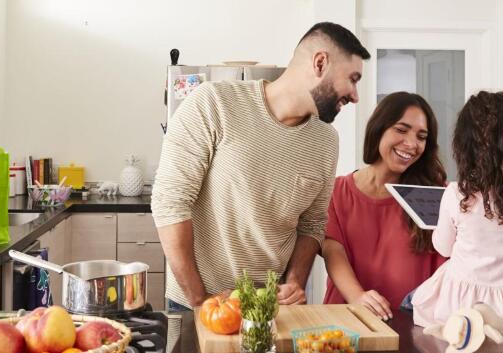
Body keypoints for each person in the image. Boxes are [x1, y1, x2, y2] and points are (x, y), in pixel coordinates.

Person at [151, 22, 370, 310]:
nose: (355, 95)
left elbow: (313, 224)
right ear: (320, 63)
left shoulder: (326, 141)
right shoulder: (213, 103)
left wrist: (294, 282)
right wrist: (200, 300)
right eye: (352, 79)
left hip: (270, 308)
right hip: (197, 304)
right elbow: (170, 204)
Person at [322, 92, 447, 320]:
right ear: (379, 128)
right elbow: (333, 253)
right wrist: (358, 297)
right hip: (346, 323)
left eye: (421, 136)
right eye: (401, 130)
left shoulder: (437, 195)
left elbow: (448, 266)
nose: (411, 144)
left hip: (412, 327)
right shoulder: (336, 191)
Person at [412, 91, 503, 327]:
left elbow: (443, 247)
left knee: (411, 303)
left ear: (465, 148)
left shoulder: (456, 194)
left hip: (462, 305)